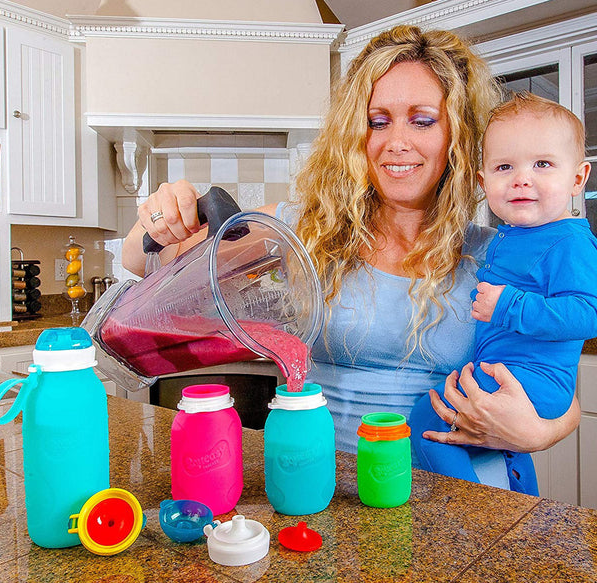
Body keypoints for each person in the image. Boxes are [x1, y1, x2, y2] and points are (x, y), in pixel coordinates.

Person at [122, 25, 581, 489]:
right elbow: (143, 260)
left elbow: (554, 375)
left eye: (422, 120)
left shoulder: (497, 254)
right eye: (378, 121)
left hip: (459, 497)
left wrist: (540, 433)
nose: (396, 141)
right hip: (326, 491)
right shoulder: (301, 232)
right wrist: (162, 216)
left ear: (458, 136)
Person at [409, 92, 597, 494]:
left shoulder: (570, 242)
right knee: (502, 447)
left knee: (427, 419)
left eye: (542, 164)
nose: (521, 179)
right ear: (484, 182)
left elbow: (588, 313)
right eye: (504, 167)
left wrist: (508, 305)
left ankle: (469, 509)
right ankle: (522, 505)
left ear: (578, 179)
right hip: (511, 375)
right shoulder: (510, 237)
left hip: (534, 382)